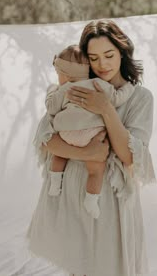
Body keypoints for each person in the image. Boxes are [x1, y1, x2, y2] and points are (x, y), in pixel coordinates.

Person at [26, 19, 156, 276]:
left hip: (112, 201)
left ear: (122, 52)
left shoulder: (140, 98)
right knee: (79, 267)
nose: (102, 64)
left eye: (109, 55)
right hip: (73, 193)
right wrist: (86, 153)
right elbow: (46, 138)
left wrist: (106, 109)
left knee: (109, 267)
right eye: (94, 58)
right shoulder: (75, 88)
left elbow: (130, 156)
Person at [36, 44, 135, 219]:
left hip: (66, 133)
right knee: (96, 169)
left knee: (60, 155)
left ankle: (55, 181)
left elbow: (51, 108)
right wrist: (129, 87)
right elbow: (117, 98)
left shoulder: (64, 89)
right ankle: (91, 199)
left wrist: (52, 90)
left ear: (65, 75)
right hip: (92, 134)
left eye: (58, 75)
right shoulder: (99, 85)